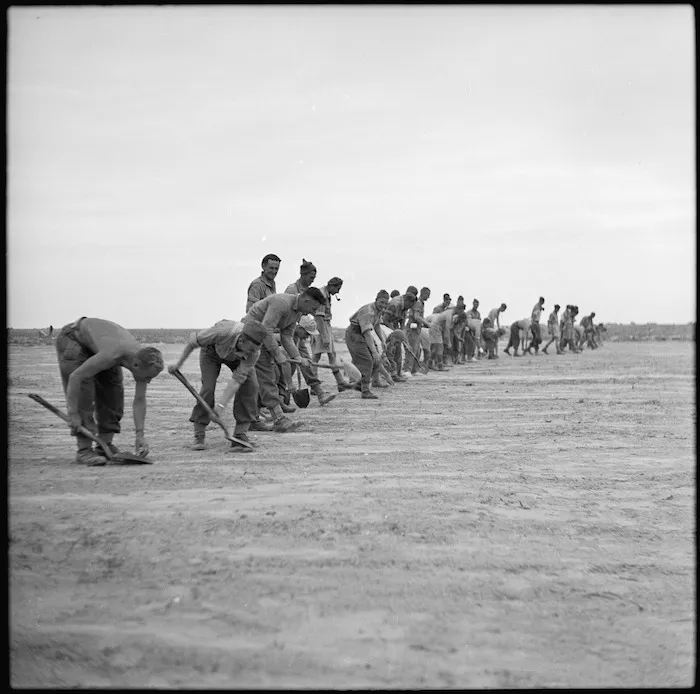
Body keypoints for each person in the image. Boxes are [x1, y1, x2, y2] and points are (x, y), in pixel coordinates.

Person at [55, 317, 164, 465]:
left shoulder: (143, 358)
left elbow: (139, 400)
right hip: (74, 339)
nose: (148, 381)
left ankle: (104, 445)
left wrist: (140, 436)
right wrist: (73, 413)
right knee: (83, 393)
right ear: (136, 365)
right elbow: (75, 377)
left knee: (113, 393)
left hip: (102, 344)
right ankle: (84, 450)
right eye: (148, 377)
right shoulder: (112, 355)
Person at [167, 319, 267, 452]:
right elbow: (192, 342)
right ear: (241, 340)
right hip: (211, 352)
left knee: (251, 386)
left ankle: (240, 435)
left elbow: (236, 381)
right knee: (208, 388)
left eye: (255, 350)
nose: (252, 353)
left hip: (237, 358)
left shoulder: (253, 352)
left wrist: (220, 407)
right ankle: (199, 434)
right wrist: (178, 365)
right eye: (251, 349)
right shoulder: (222, 332)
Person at [243, 288, 329, 432]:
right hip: (251, 338)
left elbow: (287, 336)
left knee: (263, 379)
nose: (313, 313)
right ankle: (279, 419)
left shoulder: (298, 312)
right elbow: (267, 329)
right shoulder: (281, 303)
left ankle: (254, 419)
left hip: (262, 338)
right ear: (305, 300)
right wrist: (277, 354)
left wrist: (297, 357)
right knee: (267, 377)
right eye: (313, 308)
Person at [345, 290, 391, 399]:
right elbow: (366, 333)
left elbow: (377, 326)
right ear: (376, 300)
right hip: (355, 334)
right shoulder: (368, 311)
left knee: (377, 361)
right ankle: (365, 390)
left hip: (363, 334)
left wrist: (382, 341)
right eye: (381, 302)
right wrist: (374, 352)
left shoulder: (379, 310)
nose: (383, 305)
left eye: (385, 303)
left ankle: (359, 384)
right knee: (368, 360)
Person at [310, 277, 351, 391]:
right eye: (337, 288)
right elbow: (319, 317)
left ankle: (340, 382)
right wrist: (324, 336)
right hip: (321, 326)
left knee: (331, 355)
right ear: (332, 285)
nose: (338, 291)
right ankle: (314, 386)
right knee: (316, 356)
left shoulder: (326, 294)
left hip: (325, 325)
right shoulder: (322, 295)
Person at [384, 287, 417, 380]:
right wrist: (395, 333)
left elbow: (402, 324)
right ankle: (391, 374)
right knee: (389, 351)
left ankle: (397, 373)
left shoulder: (405, 306)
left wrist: (404, 338)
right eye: (410, 305)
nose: (410, 308)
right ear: (407, 300)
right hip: (384, 327)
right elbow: (385, 319)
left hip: (393, 328)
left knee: (398, 349)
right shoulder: (395, 304)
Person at [405, 287, 431, 375]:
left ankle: (414, 369)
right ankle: (407, 370)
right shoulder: (418, 304)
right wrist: (427, 323)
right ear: (423, 294)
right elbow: (416, 316)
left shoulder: (420, 303)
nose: (428, 297)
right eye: (427, 295)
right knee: (412, 349)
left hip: (417, 330)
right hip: (413, 329)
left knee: (417, 350)